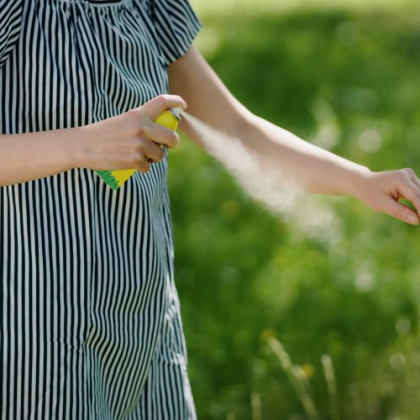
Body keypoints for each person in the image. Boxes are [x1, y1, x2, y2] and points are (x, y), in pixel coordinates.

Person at [1, 0, 419, 419]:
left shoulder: (146, 7)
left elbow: (235, 129)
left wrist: (361, 180)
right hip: (38, 327)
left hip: (144, 320)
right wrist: (82, 145)